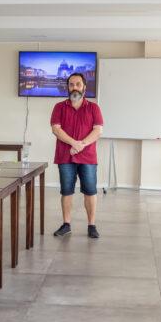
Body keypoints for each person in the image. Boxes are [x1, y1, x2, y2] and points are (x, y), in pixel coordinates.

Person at [50, 72, 104, 239]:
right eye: (71, 84)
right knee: (66, 191)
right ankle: (66, 225)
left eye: (78, 84)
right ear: (67, 87)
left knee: (90, 191)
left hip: (88, 157)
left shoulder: (94, 108)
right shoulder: (59, 107)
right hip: (65, 157)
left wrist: (81, 145)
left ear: (84, 87)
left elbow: (98, 131)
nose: (75, 87)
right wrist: (74, 143)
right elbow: (56, 129)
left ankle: (91, 225)